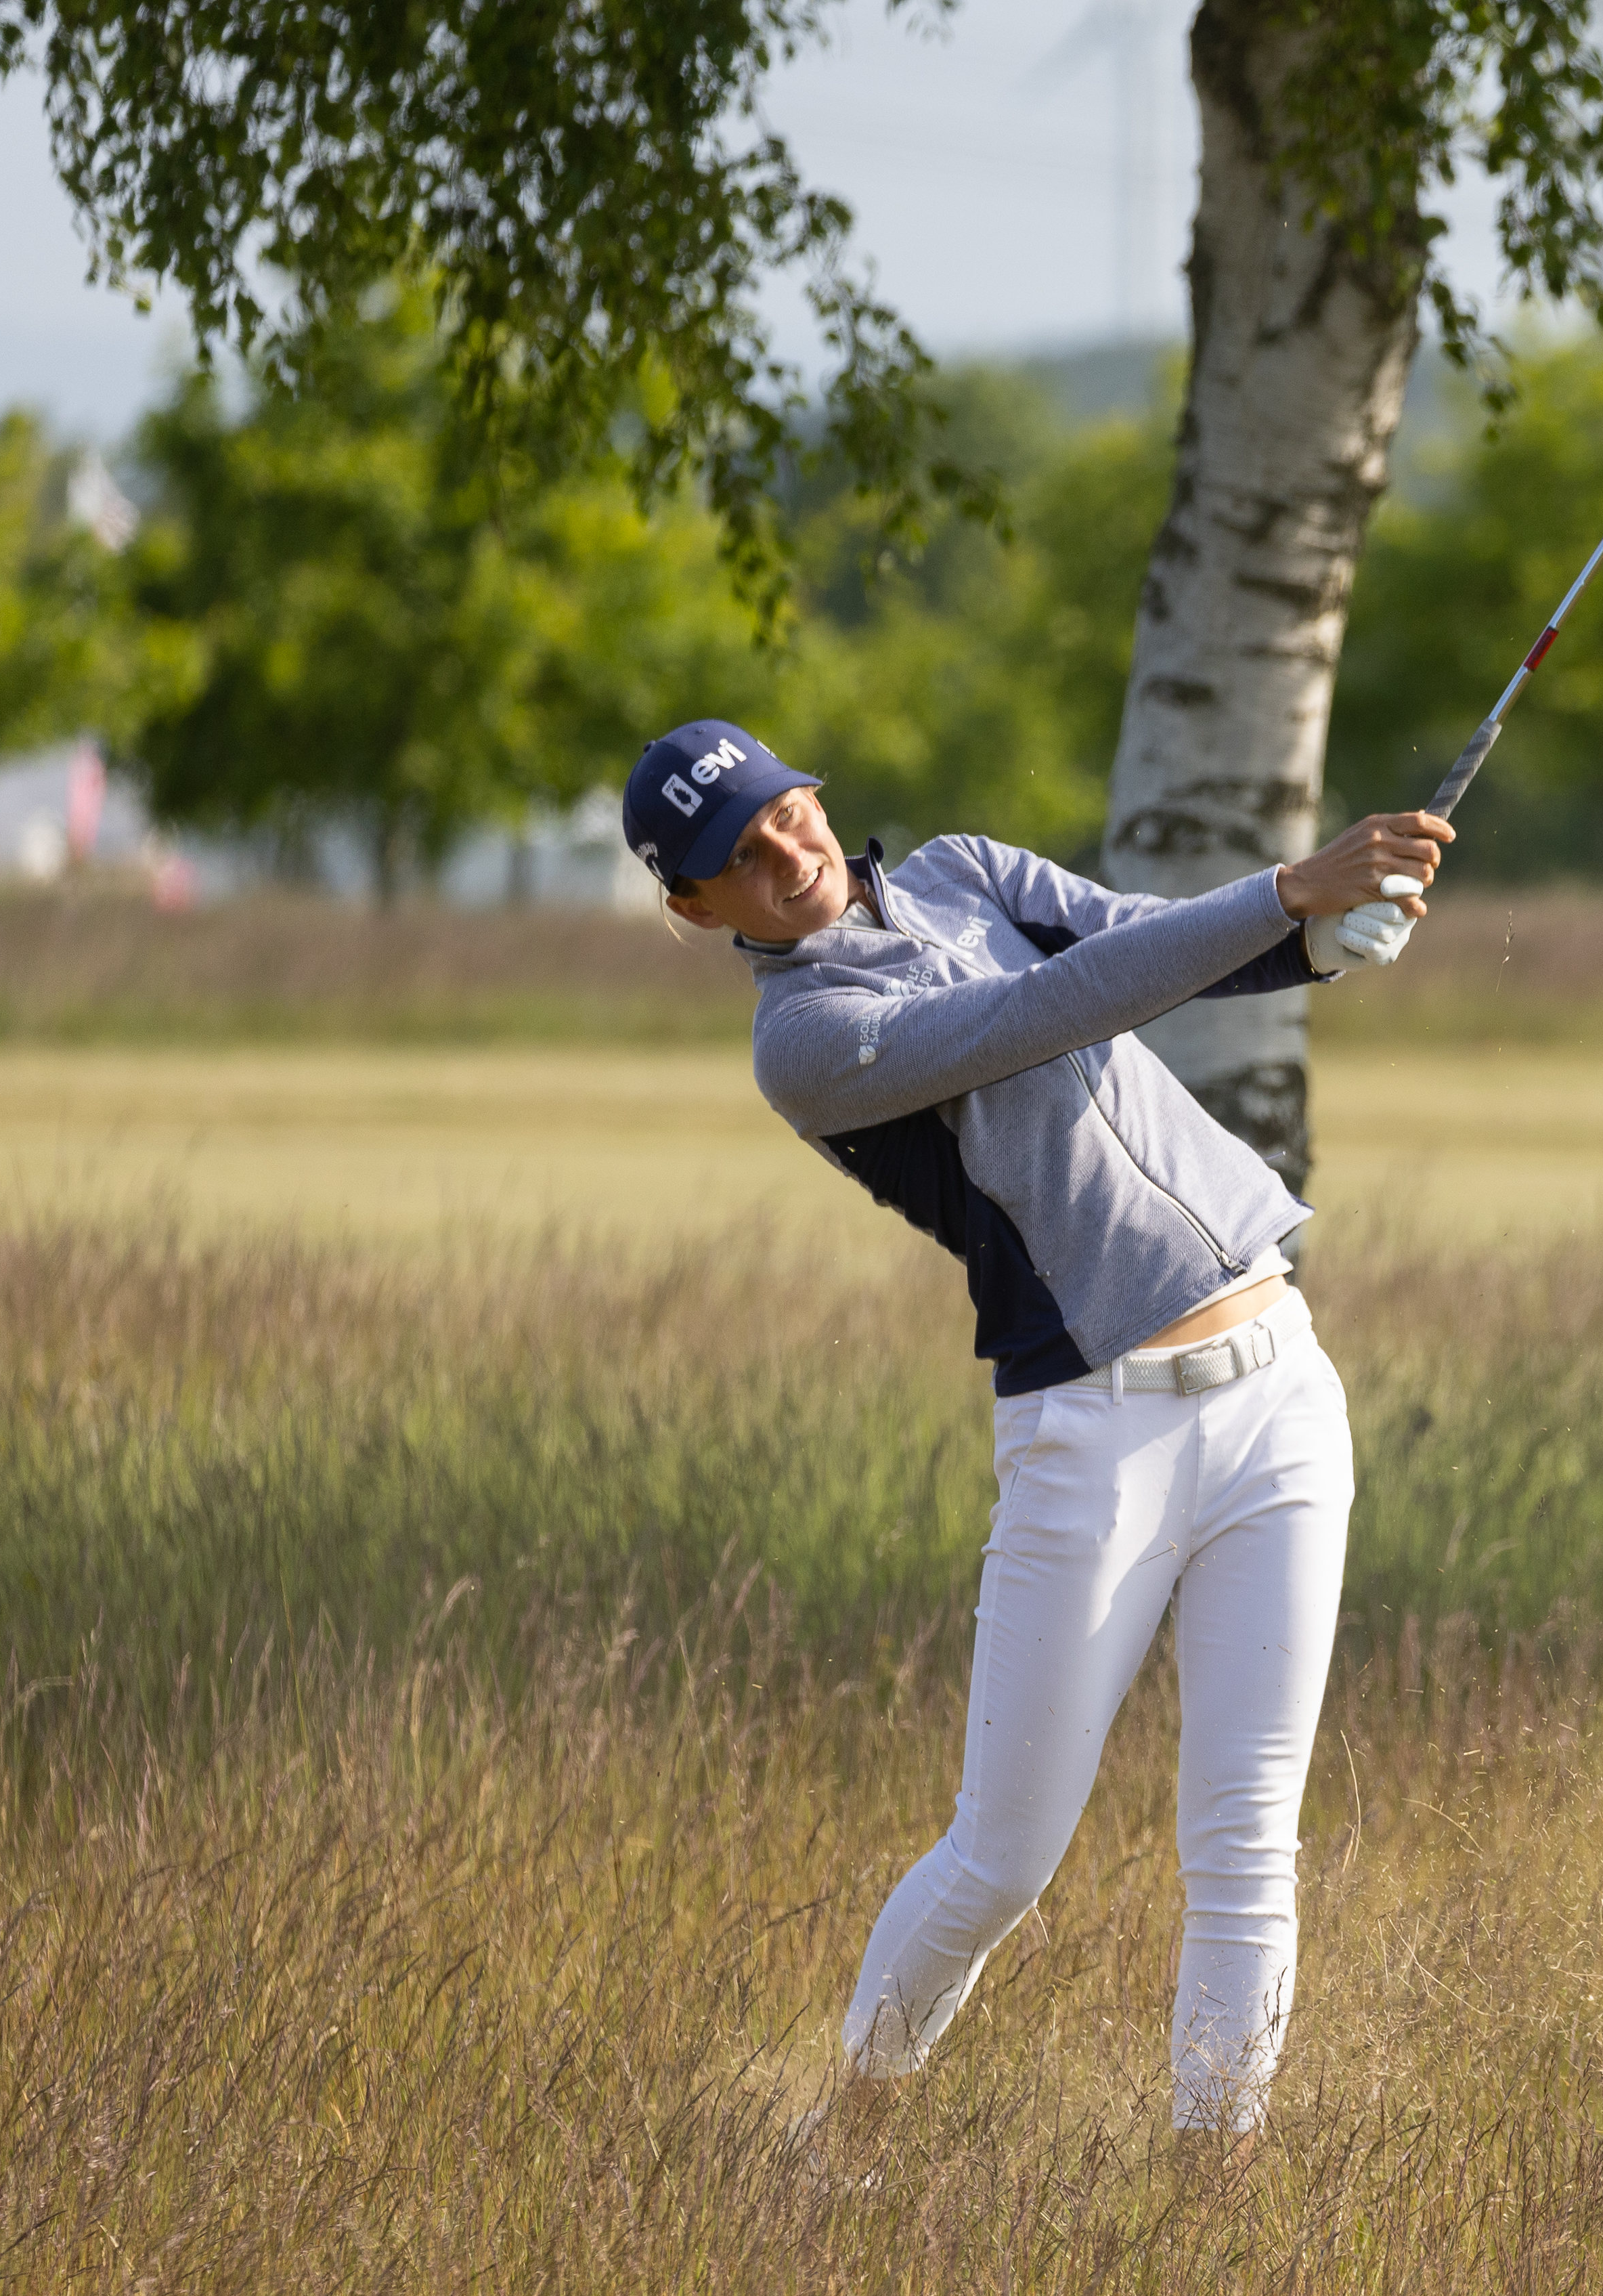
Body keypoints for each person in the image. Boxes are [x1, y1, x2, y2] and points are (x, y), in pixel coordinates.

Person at [619, 718, 1449, 2144]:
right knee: (1003, 1862)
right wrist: (1287, 893)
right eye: (737, 865)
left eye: (783, 816)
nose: (784, 860)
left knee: (1247, 1846)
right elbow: (1044, 1014)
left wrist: (1321, 937)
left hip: (1277, 1390)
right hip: (1092, 1434)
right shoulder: (807, 1044)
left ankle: (1215, 2194)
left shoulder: (968, 873)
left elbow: (1148, 944)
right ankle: (855, 2131)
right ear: (697, 912)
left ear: (814, 792)